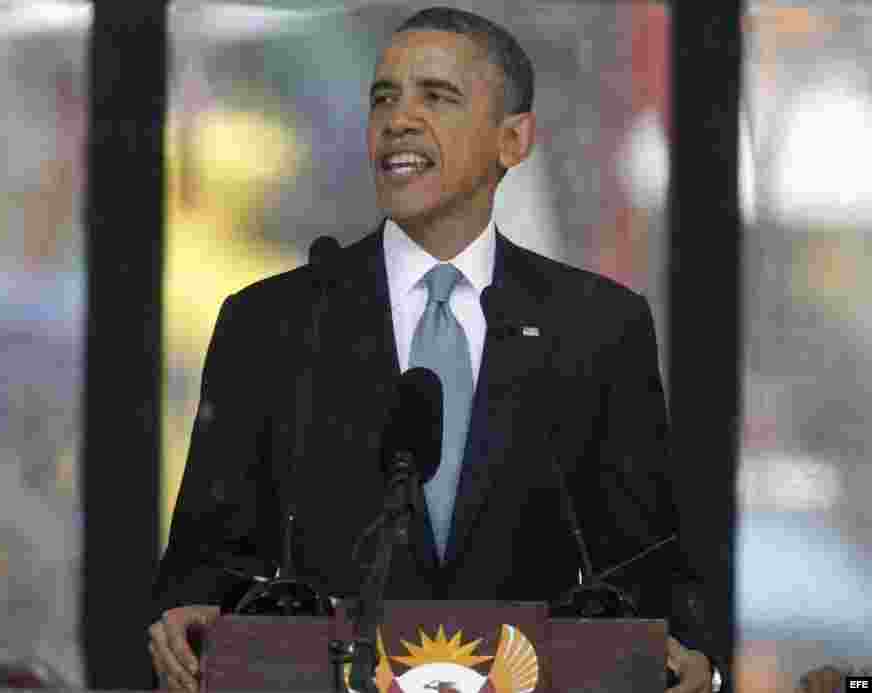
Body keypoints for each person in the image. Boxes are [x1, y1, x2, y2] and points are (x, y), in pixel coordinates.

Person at [148, 7, 726, 693]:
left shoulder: (598, 328)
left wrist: (697, 660)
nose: (399, 118)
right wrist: (181, 621)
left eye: (437, 96)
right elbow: (200, 575)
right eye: (384, 97)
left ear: (513, 140)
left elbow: (650, 578)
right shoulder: (273, 324)